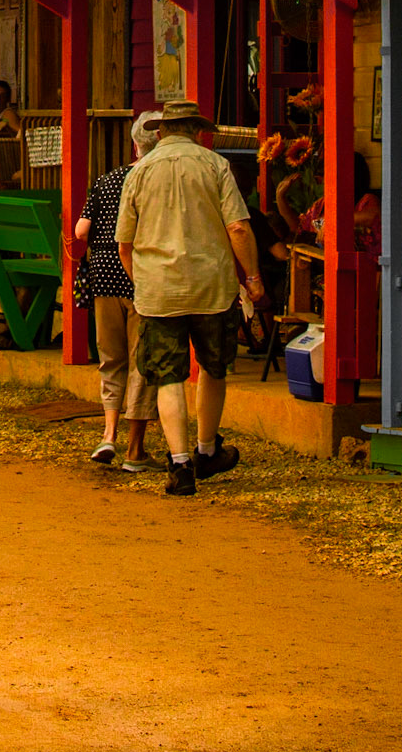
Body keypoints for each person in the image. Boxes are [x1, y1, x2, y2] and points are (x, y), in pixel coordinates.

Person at [116, 97, 265, 498]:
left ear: (161, 131)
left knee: (168, 376)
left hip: (158, 292)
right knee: (214, 368)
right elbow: (237, 227)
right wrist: (252, 278)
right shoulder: (215, 166)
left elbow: (125, 244)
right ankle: (207, 449)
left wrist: (142, 282)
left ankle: (179, 463)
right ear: (198, 131)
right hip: (211, 287)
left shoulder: (140, 171)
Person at [74, 111, 158, 473]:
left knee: (111, 358)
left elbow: (80, 231)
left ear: (134, 144)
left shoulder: (107, 180)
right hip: (141, 275)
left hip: (103, 274)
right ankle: (135, 449)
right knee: (142, 361)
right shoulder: (156, 181)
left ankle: (107, 434)